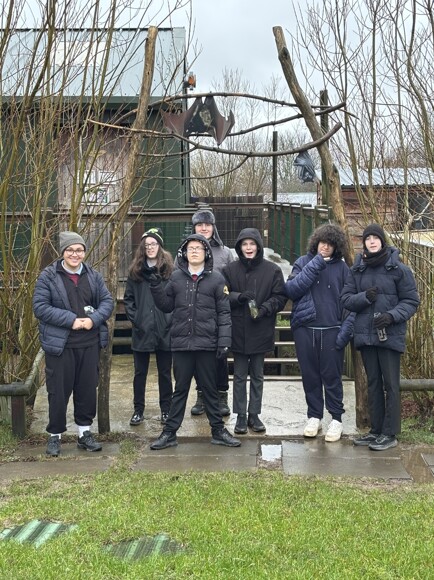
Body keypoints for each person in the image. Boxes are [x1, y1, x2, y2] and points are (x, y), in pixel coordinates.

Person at [149, 233, 241, 450]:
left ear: (206, 253)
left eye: (199, 248)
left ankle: (218, 431)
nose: (194, 251)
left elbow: (224, 313)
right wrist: (155, 287)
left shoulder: (217, 279)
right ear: (184, 253)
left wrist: (224, 341)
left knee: (210, 389)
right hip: (181, 344)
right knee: (180, 389)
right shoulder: (176, 278)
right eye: (190, 248)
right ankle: (169, 433)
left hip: (207, 345)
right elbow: (166, 306)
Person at [33, 231, 114, 457]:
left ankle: (84, 434)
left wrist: (93, 319)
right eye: (70, 250)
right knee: (58, 392)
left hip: (89, 343)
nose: (75, 254)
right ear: (62, 252)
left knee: (87, 390)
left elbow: (107, 302)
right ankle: (55, 435)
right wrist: (71, 320)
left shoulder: (93, 276)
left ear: (84, 252)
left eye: (79, 250)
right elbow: (40, 307)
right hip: (61, 346)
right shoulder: (48, 277)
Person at [341, 223, 420, 451]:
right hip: (366, 336)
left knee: (391, 385)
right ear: (364, 243)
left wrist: (391, 316)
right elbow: (345, 299)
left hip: (389, 335)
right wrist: (365, 297)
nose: (372, 242)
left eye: (375, 238)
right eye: (368, 239)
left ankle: (390, 433)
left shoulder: (398, 269)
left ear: (382, 241)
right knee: (373, 383)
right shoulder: (357, 270)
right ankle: (376, 430)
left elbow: (411, 301)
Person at [284, 223, 355, 442]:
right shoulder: (303, 262)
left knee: (332, 377)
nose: (325, 247)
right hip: (305, 329)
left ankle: (336, 419)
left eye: (330, 244)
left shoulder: (342, 268)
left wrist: (344, 333)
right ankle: (314, 416)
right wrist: (316, 263)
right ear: (316, 242)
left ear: (336, 247)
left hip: (332, 330)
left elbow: (351, 303)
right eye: (323, 242)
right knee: (310, 376)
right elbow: (292, 290)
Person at [223, 228, 286, 434]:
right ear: (239, 247)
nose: (248, 248)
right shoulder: (230, 270)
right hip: (238, 330)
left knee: (257, 375)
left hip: (261, 329)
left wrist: (266, 308)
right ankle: (241, 415)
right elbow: (222, 295)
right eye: (245, 244)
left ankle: (254, 414)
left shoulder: (272, 270)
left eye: (252, 244)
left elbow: (280, 296)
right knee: (240, 375)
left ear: (258, 246)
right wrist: (238, 297)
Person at [123, 228, 173, 427]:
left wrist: (169, 319)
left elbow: (176, 297)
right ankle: (138, 410)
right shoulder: (135, 271)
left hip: (164, 329)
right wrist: (137, 320)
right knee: (139, 373)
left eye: (153, 244)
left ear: (160, 246)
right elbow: (128, 299)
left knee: (165, 373)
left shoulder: (169, 271)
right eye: (146, 245)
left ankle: (166, 410)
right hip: (142, 330)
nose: (150, 248)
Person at [189, 208, 234, 417]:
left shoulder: (225, 253)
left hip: (219, 312)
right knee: (197, 357)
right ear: (194, 227)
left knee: (220, 356)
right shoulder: (188, 250)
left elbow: (232, 281)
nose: (204, 228)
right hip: (194, 313)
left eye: (207, 224)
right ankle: (202, 395)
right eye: (200, 224)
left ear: (213, 227)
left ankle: (221, 395)